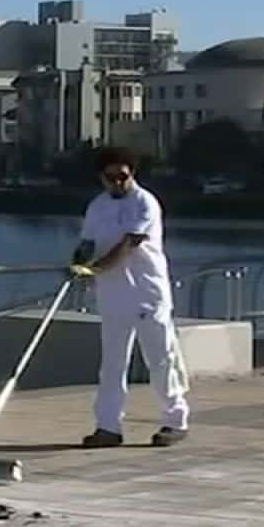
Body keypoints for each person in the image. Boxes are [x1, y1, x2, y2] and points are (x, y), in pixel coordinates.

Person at [70, 147, 190, 448]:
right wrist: (78, 263)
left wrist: (95, 269)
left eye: (123, 176)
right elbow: (87, 242)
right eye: (111, 178)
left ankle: (175, 419)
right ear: (102, 178)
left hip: (146, 292)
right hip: (112, 295)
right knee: (112, 364)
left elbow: (128, 245)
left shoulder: (144, 203)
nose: (118, 183)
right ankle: (108, 426)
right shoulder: (97, 206)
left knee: (160, 358)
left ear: (132, 174)